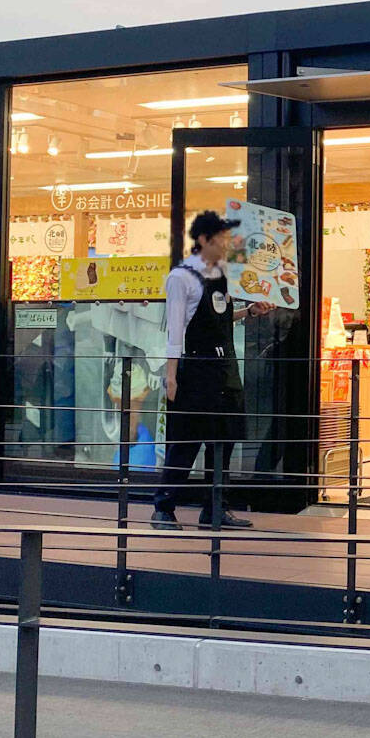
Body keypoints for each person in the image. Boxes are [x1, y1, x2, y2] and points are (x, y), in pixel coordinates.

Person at [151, 211, 274, 530]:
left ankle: (216, 508)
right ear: (204, 240)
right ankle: (163, 508)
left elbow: (221, 316)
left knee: (223, 442)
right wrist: (171, 376)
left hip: (226, 368)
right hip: (195, 368)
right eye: (222, 240)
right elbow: (176, 330)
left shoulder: (222, 276)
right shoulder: (181, 277)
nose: (227, 247)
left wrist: (249, 311)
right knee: (185, 441)